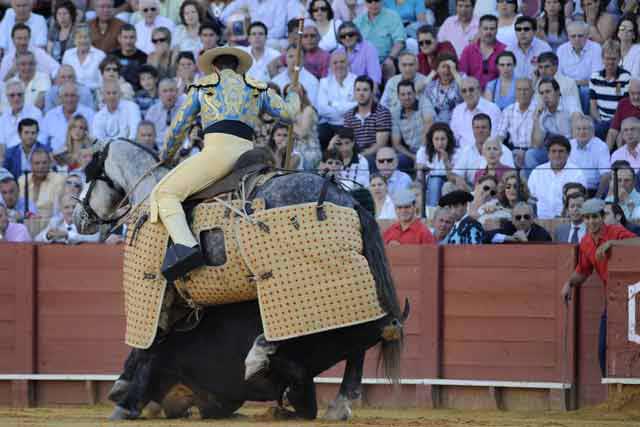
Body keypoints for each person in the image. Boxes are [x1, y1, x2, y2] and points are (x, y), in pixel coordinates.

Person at [150, 45, 300, 288]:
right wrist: (293, 93)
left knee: (164, 192)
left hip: (216, 154)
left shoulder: (204, 85)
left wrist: (166, 155)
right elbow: (289, 113)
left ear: (215, 67)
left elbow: (179, 126)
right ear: (237, 67)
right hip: (249, 155)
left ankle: (186, 247)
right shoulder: (256, 86)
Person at [561, 198, 640, 377]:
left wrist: (612, 243)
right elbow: (583, 271)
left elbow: (638, 243)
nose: (591, 221)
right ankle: (610, 388)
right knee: (603, 348)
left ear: (602, 216)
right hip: (612, 299)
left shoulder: (616, 231)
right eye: (587, 218)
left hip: (634, 297)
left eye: (594, 217)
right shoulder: (586, 242)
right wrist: (569, 283)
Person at [528, 135, 587, 219]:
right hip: (541, 220)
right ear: (548, 153)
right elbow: (530, 200)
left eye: (561, 151)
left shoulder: (577, 173)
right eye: (553, 151)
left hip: (568, 221)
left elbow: (580, 202)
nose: (557, 155)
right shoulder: (537, 172)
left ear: (568, 154)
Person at [557, 20, 603, 114]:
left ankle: (584, 119)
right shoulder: (561, 49)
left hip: (587, 88)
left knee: (584, 91)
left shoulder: (596, 48)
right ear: (568, 36)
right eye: (573, 36)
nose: (577, 39)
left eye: (580, 36)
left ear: (587, 36)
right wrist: (572, 85)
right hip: (567, 88)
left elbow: (596, 77)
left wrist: (574, 83)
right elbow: (559, 76)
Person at [589, 40, 631, 141]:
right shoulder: (595, 77)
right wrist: (600, 121)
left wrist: (614, 123)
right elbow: (593, 107)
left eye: (614, 59)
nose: (610, 62)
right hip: (601, 121)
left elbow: (625, 106)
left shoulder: (626, 77)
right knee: (595, 129)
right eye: (607, 58)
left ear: (619, 59)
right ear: (602, 59)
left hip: (620, 120)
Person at [354, 0, 405, 80]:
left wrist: (390, 58)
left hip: (385, 59)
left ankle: (389, 91)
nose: (373, 4)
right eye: (369, 1)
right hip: (364, 61)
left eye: (377, 0)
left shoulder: (392, 16)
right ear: (365, 2)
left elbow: (400, 41)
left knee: (389, 65)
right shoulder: (358, 21)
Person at [343, 75, 391, 160]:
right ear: (354, 93)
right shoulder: (348, 115)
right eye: (358, 90)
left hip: (375, 156)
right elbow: (347, 142)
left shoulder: (382, 112)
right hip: (354, 154)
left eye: (365, 90)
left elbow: (380, 145)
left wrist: (359, 156)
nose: (361, 93)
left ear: (372, 92)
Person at [316, 50, 356, 148]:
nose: (339, 65)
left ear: (348, 63)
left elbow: (357, 106)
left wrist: (333, 104)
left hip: (350, 124)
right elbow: (321, 109)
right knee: (319, 133)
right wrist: (345, 108)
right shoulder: (324, 82)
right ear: (330, 66)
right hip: (329, 124)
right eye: (335, 62)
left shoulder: (356, 81)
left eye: (342, 62)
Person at [391, 79, 435, 170]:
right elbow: (396, 144)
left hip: (429, 149)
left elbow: (428, 126)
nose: (407, 97)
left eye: (409, 93)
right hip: (411, 153)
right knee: (394, 162)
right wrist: (413, 157)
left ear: (415, 94)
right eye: (403, 94)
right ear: (398, 96)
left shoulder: (423, 102)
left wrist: (420, 156)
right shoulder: (395, 112)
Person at [40, 82, 95, 153]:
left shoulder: (89, 114)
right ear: (60, 98)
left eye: (72, 95)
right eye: (66, 95)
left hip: (82, 158)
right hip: (55, 159)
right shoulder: (50, 115)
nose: (69, 99)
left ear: (78, 98)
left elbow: (93, 139)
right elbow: (42, 140)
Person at [451, 77, 502, 148]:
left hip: (486, 153)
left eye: (471, 90)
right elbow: (454, 137)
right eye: (464, 91)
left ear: (479, 90)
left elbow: (495, 138)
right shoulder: (457, 110)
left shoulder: (492, 109)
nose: (468, 94)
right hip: (462, 154)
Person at [459, 14, 506, 90]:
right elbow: (462, 74)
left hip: (495, 95)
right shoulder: (468, 50)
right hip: (472, 93)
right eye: (485, 28)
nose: (488, 32)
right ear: (479, 29)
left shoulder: (503, 50)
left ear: (497, 30)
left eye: (492, 29)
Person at [568, 114, 610, 198]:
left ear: (592, 131)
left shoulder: (601, 146)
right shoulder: (569, 145)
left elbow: (606, 175)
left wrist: (597, 197)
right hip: (570, 188)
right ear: (573, 132)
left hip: (591, 189)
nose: (581, 132)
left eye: (585, 129)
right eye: (578, 129)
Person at [417, 122, 457, 207]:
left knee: (437, 181)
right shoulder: (423, 152)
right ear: (431, 140)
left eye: (443, 139)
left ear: (448, 139)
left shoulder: (457, 154)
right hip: (428, 184)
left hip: (448, 184)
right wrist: (422, 169)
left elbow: (455, 178)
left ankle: (432, 211)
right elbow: (419, 178)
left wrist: (446, 161)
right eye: (436, 139)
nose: (440, 143)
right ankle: (432, 210)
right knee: (434, 181)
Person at [35, 194, 100, 244]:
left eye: (74, 207)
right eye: (66, 207)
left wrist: (68, 235)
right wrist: (48, 236)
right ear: (61, 210)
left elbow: (96, 238)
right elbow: (36, 240)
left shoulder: (88, 223)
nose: (71, 210)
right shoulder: (55, 223)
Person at [335, 21, 382, 86]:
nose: (347, 38)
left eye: (350, 34)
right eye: (343, 36)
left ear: (357, 35)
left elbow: (375, 79)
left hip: (365, 91)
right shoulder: (337, 53)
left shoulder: (368, 49)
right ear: (340, 39)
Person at [62, 23, 106, 91]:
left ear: (91, 38)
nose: (83, 41)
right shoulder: (67, 54)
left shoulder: (100, 55)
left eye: (85, 37)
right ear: (74, 40)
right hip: (72, 93)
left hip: (95, 93)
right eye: (79, 37)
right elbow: (64, 79)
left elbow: (103, 82)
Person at [423, 53, 463, 124]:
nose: (446, 70)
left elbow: (466, 90)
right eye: (443, 66)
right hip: (436, 126)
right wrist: (432, 73)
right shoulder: (431, 86)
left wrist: (455, 72)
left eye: (449, 67)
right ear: (437, 69)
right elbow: (417, 91)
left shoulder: (460, 79)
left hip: (457, 124)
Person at [0, 81, 42, 148]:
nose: (16, 98)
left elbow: (37, 139)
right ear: (7, 97)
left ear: (24, 95)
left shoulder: (35, 113)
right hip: (8, 155)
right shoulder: (3, 117)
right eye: (12, 95)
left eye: (19, 94)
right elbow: (1, 143)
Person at [486, 201, 552, 243]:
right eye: (518, 217)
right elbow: (486, 236)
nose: (522, 220)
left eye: (526, 217)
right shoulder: (508, 227)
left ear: (532, 219)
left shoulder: (542, 235)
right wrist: (510, 238)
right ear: (512, 220)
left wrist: (525, 242)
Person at [144, 78, 183, 149]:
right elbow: (147, 133)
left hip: (180, 147)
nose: (169, 94)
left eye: (171, 90)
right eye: (165, 91)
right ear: (159, 94)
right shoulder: (152, 111)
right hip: (157, 148)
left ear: (177, 92)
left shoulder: (185, 107)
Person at [112, 24, 148, 92]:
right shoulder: (112, 56)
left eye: (131, 37)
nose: (128, 41)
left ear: (136, 38)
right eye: (125, 37)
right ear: (119, 38)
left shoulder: (144, 57)